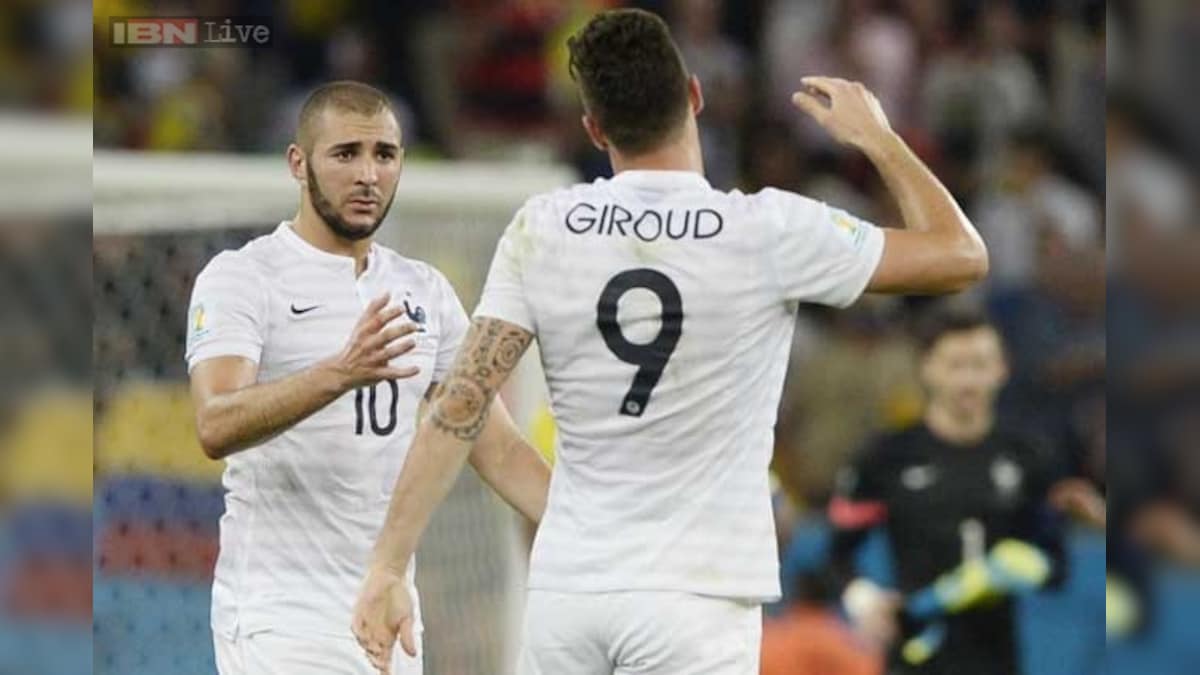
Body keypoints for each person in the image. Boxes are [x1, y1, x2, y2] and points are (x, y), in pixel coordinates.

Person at [352, 9, 987, 675]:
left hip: (571, 592)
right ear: (693, 93)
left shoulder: (544, 227)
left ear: (594, 126)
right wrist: (879, 139)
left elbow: (461, 402)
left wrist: (390, 563)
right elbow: (960, 254)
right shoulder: (766, 228)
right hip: (697, 596)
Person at [185, 80, 551, 675]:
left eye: (384, 154)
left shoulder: (425, 291)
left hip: (386, 611)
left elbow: (500, 448)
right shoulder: (244, 277)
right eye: (346, 153)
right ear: (297, 164)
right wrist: (338, 373)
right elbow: (214, 422)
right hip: (281, 614)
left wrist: (594, 529)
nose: (368, 175)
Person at [827, 307, 1074, 675]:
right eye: (955, 365)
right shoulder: (887, 456)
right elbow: (837, 555)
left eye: (980, 365)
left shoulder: (1029, 456)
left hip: (998, 660)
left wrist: (1019, 567)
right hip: (914, 655)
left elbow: (1057, 565)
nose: (968, 381)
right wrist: (863, 599)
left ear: (1002, 369)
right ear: (926, 367)